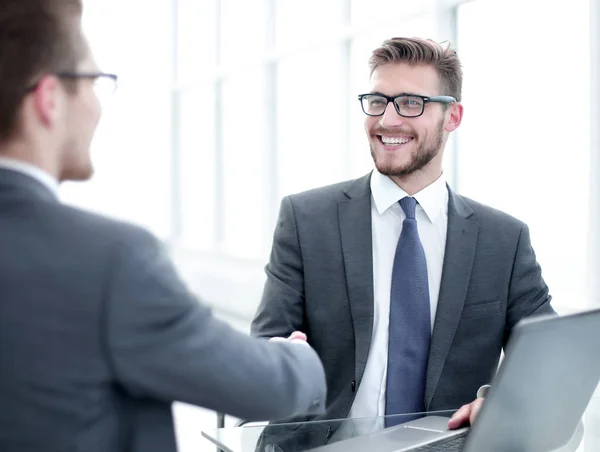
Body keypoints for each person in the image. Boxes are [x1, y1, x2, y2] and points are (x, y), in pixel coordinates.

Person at [0, 1, 326, 451]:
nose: (96, 105)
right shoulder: (108, 262)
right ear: (49, 99)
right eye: (93, 82)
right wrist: (298, 358)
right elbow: (264, 387)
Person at [251, 36, 554, 450]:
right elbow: (267, 341)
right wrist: (273, 359)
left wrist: (498, 401)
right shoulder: (306, 219)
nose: (388, 120)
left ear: (453, 117)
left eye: (411, 103)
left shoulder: (504, 239)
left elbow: (549, 363)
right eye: (377, 101)